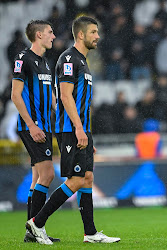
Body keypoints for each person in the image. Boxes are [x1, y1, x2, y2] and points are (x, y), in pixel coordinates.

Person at [25, 16, 120, 245]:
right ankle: (37, 223)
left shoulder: (83, 62)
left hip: (81, 129)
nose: (97, 36)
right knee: (76, 179)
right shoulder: (69, 58)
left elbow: (80, 101)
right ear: (81, 34)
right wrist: (78, 128)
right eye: (93, 32)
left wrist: (86, 132)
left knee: (87, 178)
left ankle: (90, 233)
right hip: (70, 129)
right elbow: (65, 96)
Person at [10, 20, 59, 243]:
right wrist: (31, 125)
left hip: (45, 126)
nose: (54, 36)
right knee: (48, 174)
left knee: (37, 177)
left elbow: (51, 99)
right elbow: (15, 95)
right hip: (33, 126)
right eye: (50, 32)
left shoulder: (45, 63)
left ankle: (32, 233)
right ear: (38, 35)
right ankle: (37, 226)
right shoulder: (24, 58)